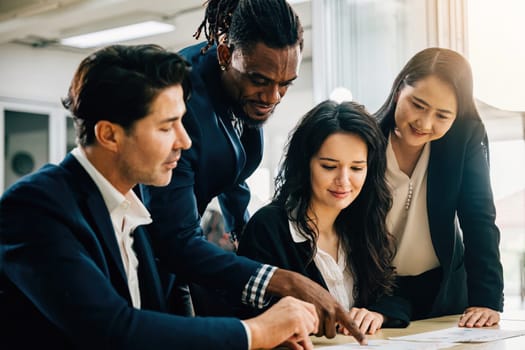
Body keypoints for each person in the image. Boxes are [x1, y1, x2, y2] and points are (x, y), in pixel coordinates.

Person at [0, 44, 365, 349]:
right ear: (109, 135)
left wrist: (264, 339)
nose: (185, 141)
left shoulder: (136, 216)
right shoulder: (35, 209)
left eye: (182, 122)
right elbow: (114, 331)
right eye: (166, 127)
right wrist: (256, 332)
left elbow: (163, 327)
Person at [140, 0, 303, 249]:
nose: (273, 97)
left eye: (285, 84)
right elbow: (175, 238)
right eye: (259, 80)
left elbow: (232, 171)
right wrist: (270, 276)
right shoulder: (182, 102)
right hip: (140, 248)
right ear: (225, 55)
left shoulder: (239, 86)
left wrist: (243, 233)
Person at [370, 47, 504, 328]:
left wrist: (487, 300)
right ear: (398, 91)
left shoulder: (463, 140)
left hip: (442, 292)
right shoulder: (365, 138)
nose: (424, 123)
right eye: (417, 105)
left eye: (442, 115)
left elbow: (479, 218)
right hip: (373, 295)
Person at [238, 100, 397, 335]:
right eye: (329, 166)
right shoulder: (268, 228)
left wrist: (377, 313)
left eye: (356, 168)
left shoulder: (362, 223)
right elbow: (254, 319)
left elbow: (393, 291)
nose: (344, 181)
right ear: (306, 164)